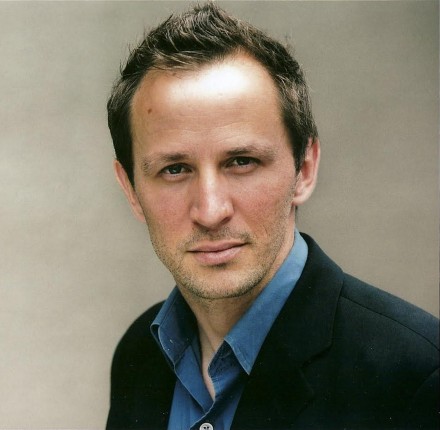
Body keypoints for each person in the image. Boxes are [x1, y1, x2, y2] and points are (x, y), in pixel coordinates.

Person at [106, 3, 439, 429]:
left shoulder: (415, 376)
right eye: (175, 169)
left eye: (241, 162)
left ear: (305, 169)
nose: (211, 211)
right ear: (131, 190)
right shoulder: (139, 355)